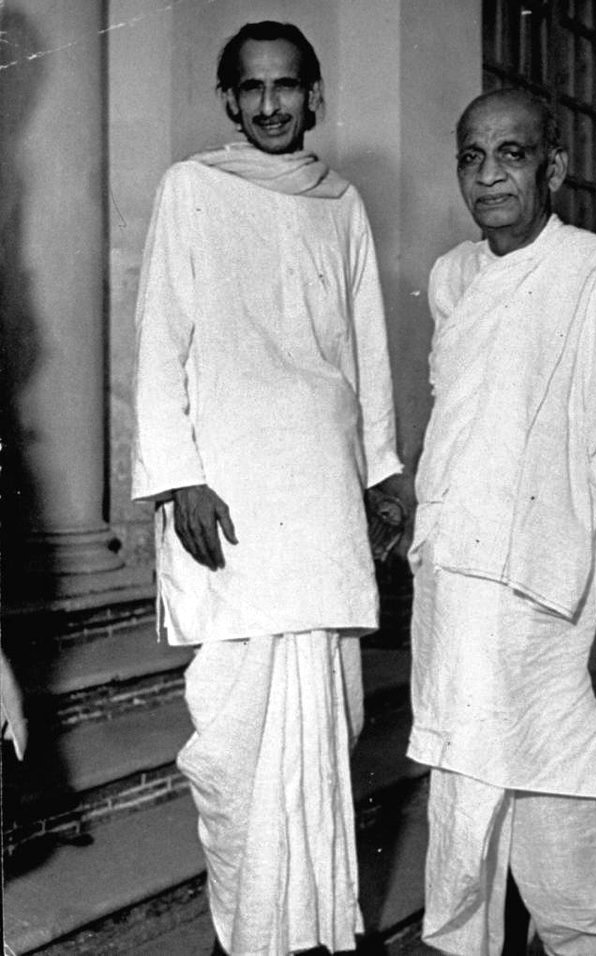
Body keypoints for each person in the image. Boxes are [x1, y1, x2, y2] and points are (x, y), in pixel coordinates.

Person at [408, 87, 596, 955]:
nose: (489, 174)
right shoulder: (454, 279)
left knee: (576, 857)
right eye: (472, 156)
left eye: (511, 154)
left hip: (567, 617)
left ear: (555, 168)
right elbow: (468, 430)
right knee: (465, 842)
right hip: (465, 612)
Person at [130, 21, 404, 956]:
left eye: (288, 86)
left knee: (330, 723)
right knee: (237, 745)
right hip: (230, 507)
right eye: (252, 89)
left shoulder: (342, 203)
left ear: (314, 94)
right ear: (228, 101)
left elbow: (365, 352)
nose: (271, 104)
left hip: (322, 503)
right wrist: (179, 481)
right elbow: (161, 342)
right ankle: (248, 938)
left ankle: (317, 935)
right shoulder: (191, 190)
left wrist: (382, 475)